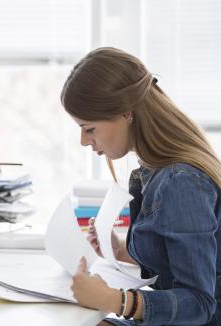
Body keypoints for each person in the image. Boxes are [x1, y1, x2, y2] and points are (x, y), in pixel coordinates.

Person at [60, 47, 221, 325]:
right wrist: (121, 251)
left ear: (126, 113)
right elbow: (174, 265)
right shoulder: (153, 171)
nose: (84, 142)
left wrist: (115, 301)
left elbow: (199, 303)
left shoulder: (180, 183)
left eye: (89, 129)